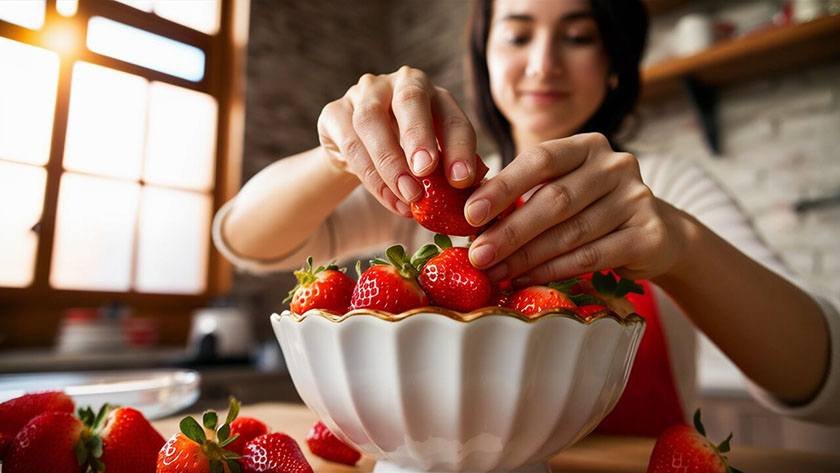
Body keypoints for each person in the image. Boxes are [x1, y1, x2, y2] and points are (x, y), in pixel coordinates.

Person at [213, 0, 840, 433]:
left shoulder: (661, 187)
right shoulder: (429, 182)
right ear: (484, 54)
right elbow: (243, 238)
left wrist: (679, 244)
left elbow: (824, 381)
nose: (543, 63)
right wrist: (338, 154)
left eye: (578, 34)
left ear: (615, 57)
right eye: (517, 34)